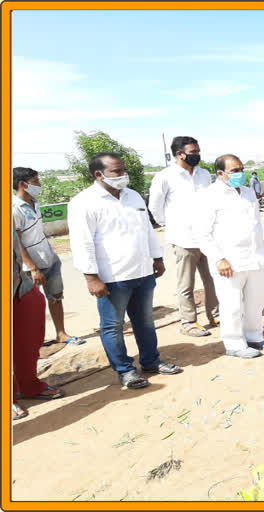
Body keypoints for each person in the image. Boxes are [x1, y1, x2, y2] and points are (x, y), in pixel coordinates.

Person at [69, 153, 182, 389]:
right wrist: (91, 277)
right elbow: (82, 243)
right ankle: (125, 370)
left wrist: (157, 257)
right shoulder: (84, 202)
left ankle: (151, 361)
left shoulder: (133, 196)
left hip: (142, 272)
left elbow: (147, 230)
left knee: (145, 321)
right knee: (113, 326)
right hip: (112, 278)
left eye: (123, 170)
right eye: (116, 171)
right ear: (98, 174)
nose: (123, 175)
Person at [197, 154, 264, 359]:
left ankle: (254, 336)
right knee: (232, 304)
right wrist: (218, 258)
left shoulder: (248, 192)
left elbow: (256, 223)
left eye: (241, 168)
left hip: (255, 256)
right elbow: (202, 233)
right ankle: (234, 343)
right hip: (229, 261)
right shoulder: (209, 196)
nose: (240, 173)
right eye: (235, 171)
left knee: (255, 302)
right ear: (220, 173)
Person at [149, 136, 219, 337]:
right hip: (183, 239)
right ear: (180, 154)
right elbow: (155, 206)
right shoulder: (165, 176)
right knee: (186, 284)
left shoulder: (204, 174)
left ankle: (215, 314)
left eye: (198, 151)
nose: (197, 155)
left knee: (213, 279)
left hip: (207, 237)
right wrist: (171, 225)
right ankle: (188, 322)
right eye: (193, 152)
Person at [13, 167, 86, 346]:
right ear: (22, 184)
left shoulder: (35, 203)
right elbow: (16, 242)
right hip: (29, 267)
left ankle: (61, 333)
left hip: (49, 258)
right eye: (36, 181)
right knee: (31, 304)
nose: (39, 184)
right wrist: (33, 268)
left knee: (55, 296)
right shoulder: (15, 209)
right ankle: (33, 341)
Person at [12, 217, 65, 420]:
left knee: (29, 337)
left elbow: (16, 240)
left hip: (19, 285)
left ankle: (28, 385)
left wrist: (30, 269)